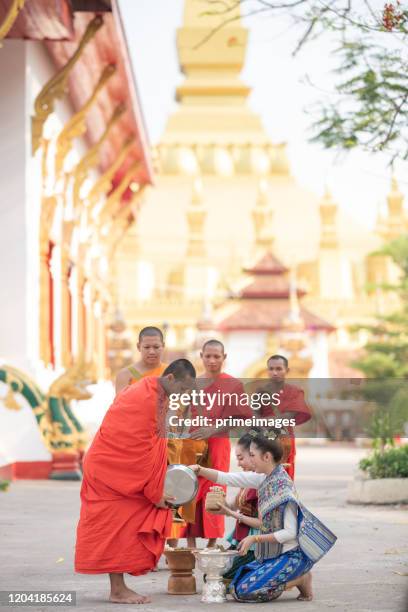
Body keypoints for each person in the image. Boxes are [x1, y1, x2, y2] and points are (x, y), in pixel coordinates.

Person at [75, 359, 196, 605]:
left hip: (111, 467)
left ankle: (119, 587)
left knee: (124, 525)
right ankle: (117, 590)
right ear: (171, 379)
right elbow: (139, 452)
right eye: (183, 390)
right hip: (111, 472)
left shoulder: (149, 387)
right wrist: (155, 492)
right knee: (116, 528)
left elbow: (149, 443)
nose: (183, 396)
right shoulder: (148, 400)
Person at [191, 432, 336, 603]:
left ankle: (300, 579)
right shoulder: (265, 478)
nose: (250, 461)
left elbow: (290, 533)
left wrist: (255, 538)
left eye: (252, 455)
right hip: (270, 553)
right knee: (232, 584)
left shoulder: (282, 487)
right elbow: (229, 478)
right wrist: (199, 469)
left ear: (266, 457)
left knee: (243, 591)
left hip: (290, 555)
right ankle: (284, 578)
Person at [181, 339, 248, 549]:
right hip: (192, 444)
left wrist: (213, 429)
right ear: (201, 356)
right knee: (189, 490)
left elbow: (241, 417)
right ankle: (190, 544)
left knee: (215, 489)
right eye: (207, 356)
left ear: (224, 358)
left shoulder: (233, 384)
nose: (212, 360)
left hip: (218, 444)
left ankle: (212, 543)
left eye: (216, 356)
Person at [192, 433, 260, 585]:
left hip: (258, 544)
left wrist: (229, 513)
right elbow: (232, 505)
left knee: (219, 579)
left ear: (255, 455)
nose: (239, 463)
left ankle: (293, 577)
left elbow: (263, 524)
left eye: (241, 458)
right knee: (211, 575)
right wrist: (219, 503)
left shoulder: (264, 481)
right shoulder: (248, 479)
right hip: (241, 541)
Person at [260, 355, 311, 480]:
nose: (275, 372)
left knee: (284, 471)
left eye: (279, 369)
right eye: (271, 369)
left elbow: (290, 415)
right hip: (263, 436)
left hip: (285, 437)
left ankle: (284, 498)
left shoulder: (295, 391)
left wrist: (269, 421)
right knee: (261, 472)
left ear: (286, 370)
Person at [115, 326, 166, 395]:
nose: (152, 352)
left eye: (156, 347)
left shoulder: (171, 372)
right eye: (147, 347)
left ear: (163, 346)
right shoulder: (125, 375)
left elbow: (178, 402)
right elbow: (120, 404)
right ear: (138, 347)